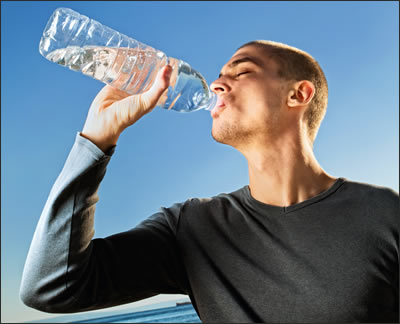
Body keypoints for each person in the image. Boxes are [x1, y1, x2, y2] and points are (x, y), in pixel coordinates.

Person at [20, 40, 399, 323]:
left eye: (242, 70)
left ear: (297, 94)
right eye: (219, 75)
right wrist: (95, 142)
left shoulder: (385, 214)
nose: (217, 84)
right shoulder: (193, 229)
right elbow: (50, 287)